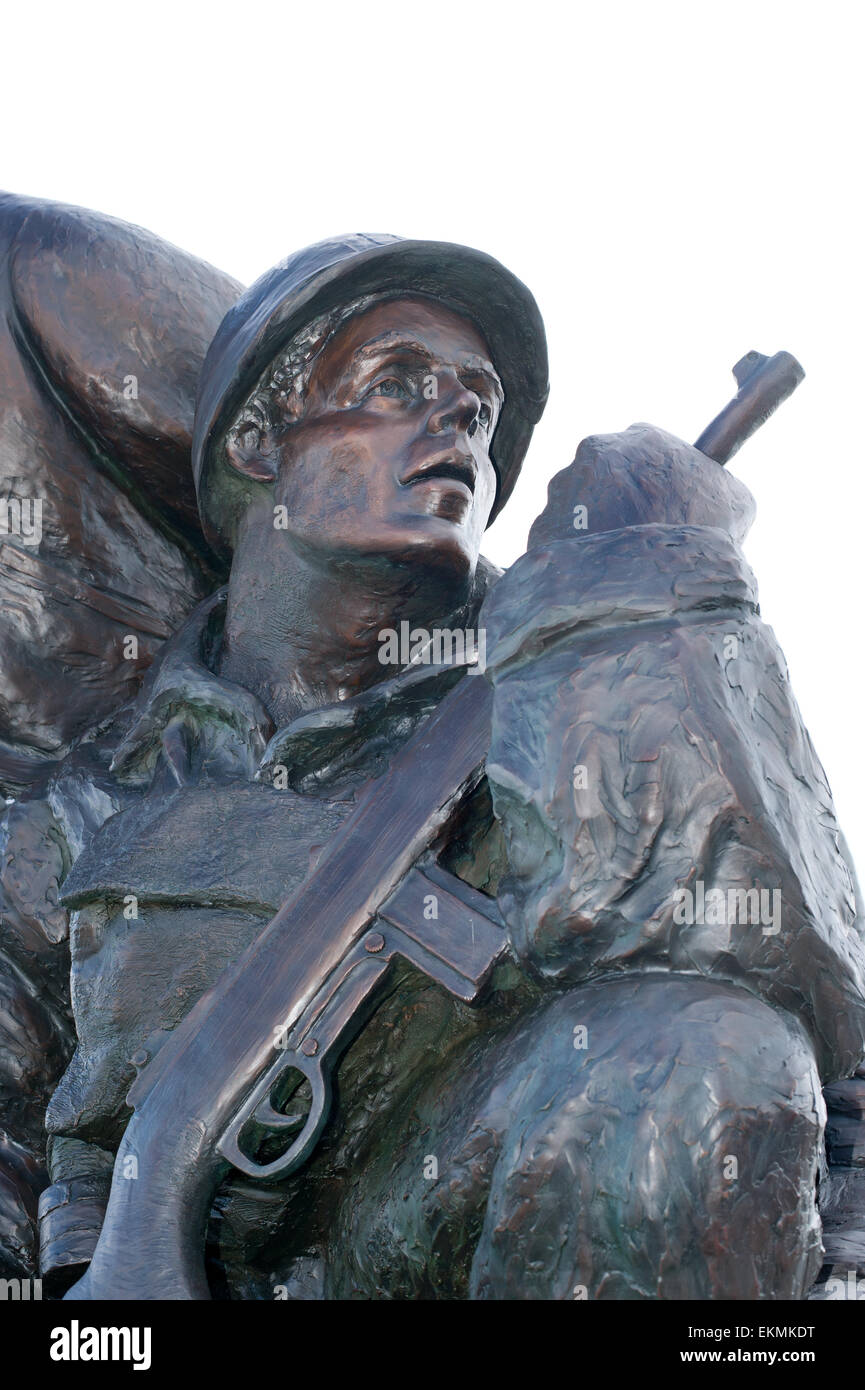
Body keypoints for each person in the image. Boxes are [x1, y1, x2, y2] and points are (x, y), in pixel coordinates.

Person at [1, 205, 863, 1299]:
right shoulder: (77, 809)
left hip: (454, 1229)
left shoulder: (568, 685)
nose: (458, 414)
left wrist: (649, 570)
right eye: (400, 381)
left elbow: (757, 971)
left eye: (481, 408)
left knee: (698, 1056)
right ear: (263, 439)